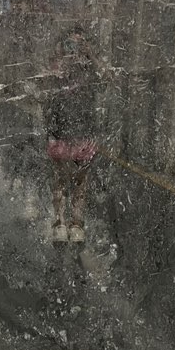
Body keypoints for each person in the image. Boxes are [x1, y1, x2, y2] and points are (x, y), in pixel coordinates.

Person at [44, 26, 100, 243]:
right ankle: (59, 223)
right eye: (70, 44)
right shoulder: (58, 66)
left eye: (79, 44)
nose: (74, 49)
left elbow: (104, 82)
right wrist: (61, 58)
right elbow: (48, 88)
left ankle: (76, 224)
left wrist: (91, 56)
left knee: (80, 181)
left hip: (83, 128)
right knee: (59, 179)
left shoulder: (89, 69)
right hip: (60, 127)